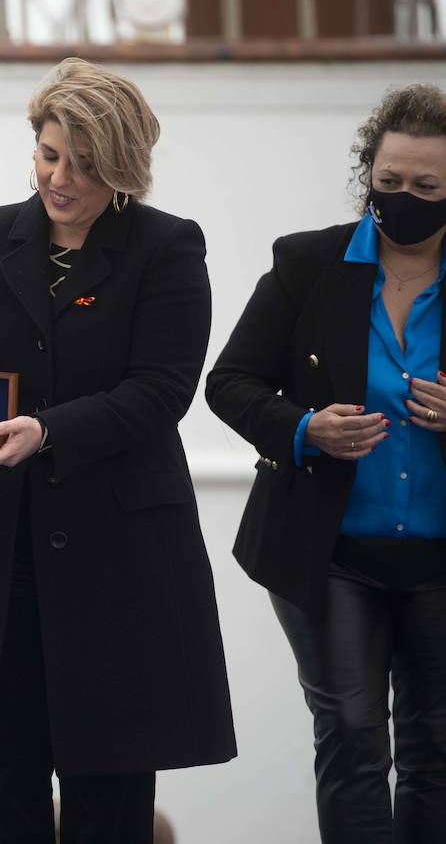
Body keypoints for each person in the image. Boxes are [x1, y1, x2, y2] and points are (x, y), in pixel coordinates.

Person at [0, 58, 236, 844]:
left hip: (117, 552)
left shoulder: (167, 247)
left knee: (106, 784)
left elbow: (161, 391)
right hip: (2, 545)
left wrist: (50, 430)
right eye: (49, 153)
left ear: (123, 167)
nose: (60, 178)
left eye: (85, 164)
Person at [206, 82, 446, 843]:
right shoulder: (307, 263)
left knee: (438, 743)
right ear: (367, 174)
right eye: (390, 182)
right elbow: (230, 382)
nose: (404, 198)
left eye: (427, 187)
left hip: (442, 559)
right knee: (350, 732)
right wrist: (306, 426)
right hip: (328, 550)